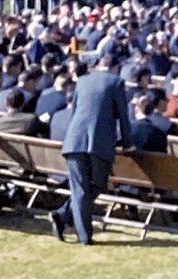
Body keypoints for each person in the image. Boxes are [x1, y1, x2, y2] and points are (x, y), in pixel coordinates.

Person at [50, 55, 135, 246]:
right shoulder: (116, 82)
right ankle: (84, 235)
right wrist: (127, 143)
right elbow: (123, 115)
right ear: (116, 67)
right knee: (95, 186)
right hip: (100, 143)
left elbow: (74, 111)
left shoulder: (83, 80)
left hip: (75, 140)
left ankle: (62, 216)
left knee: (81, 189)